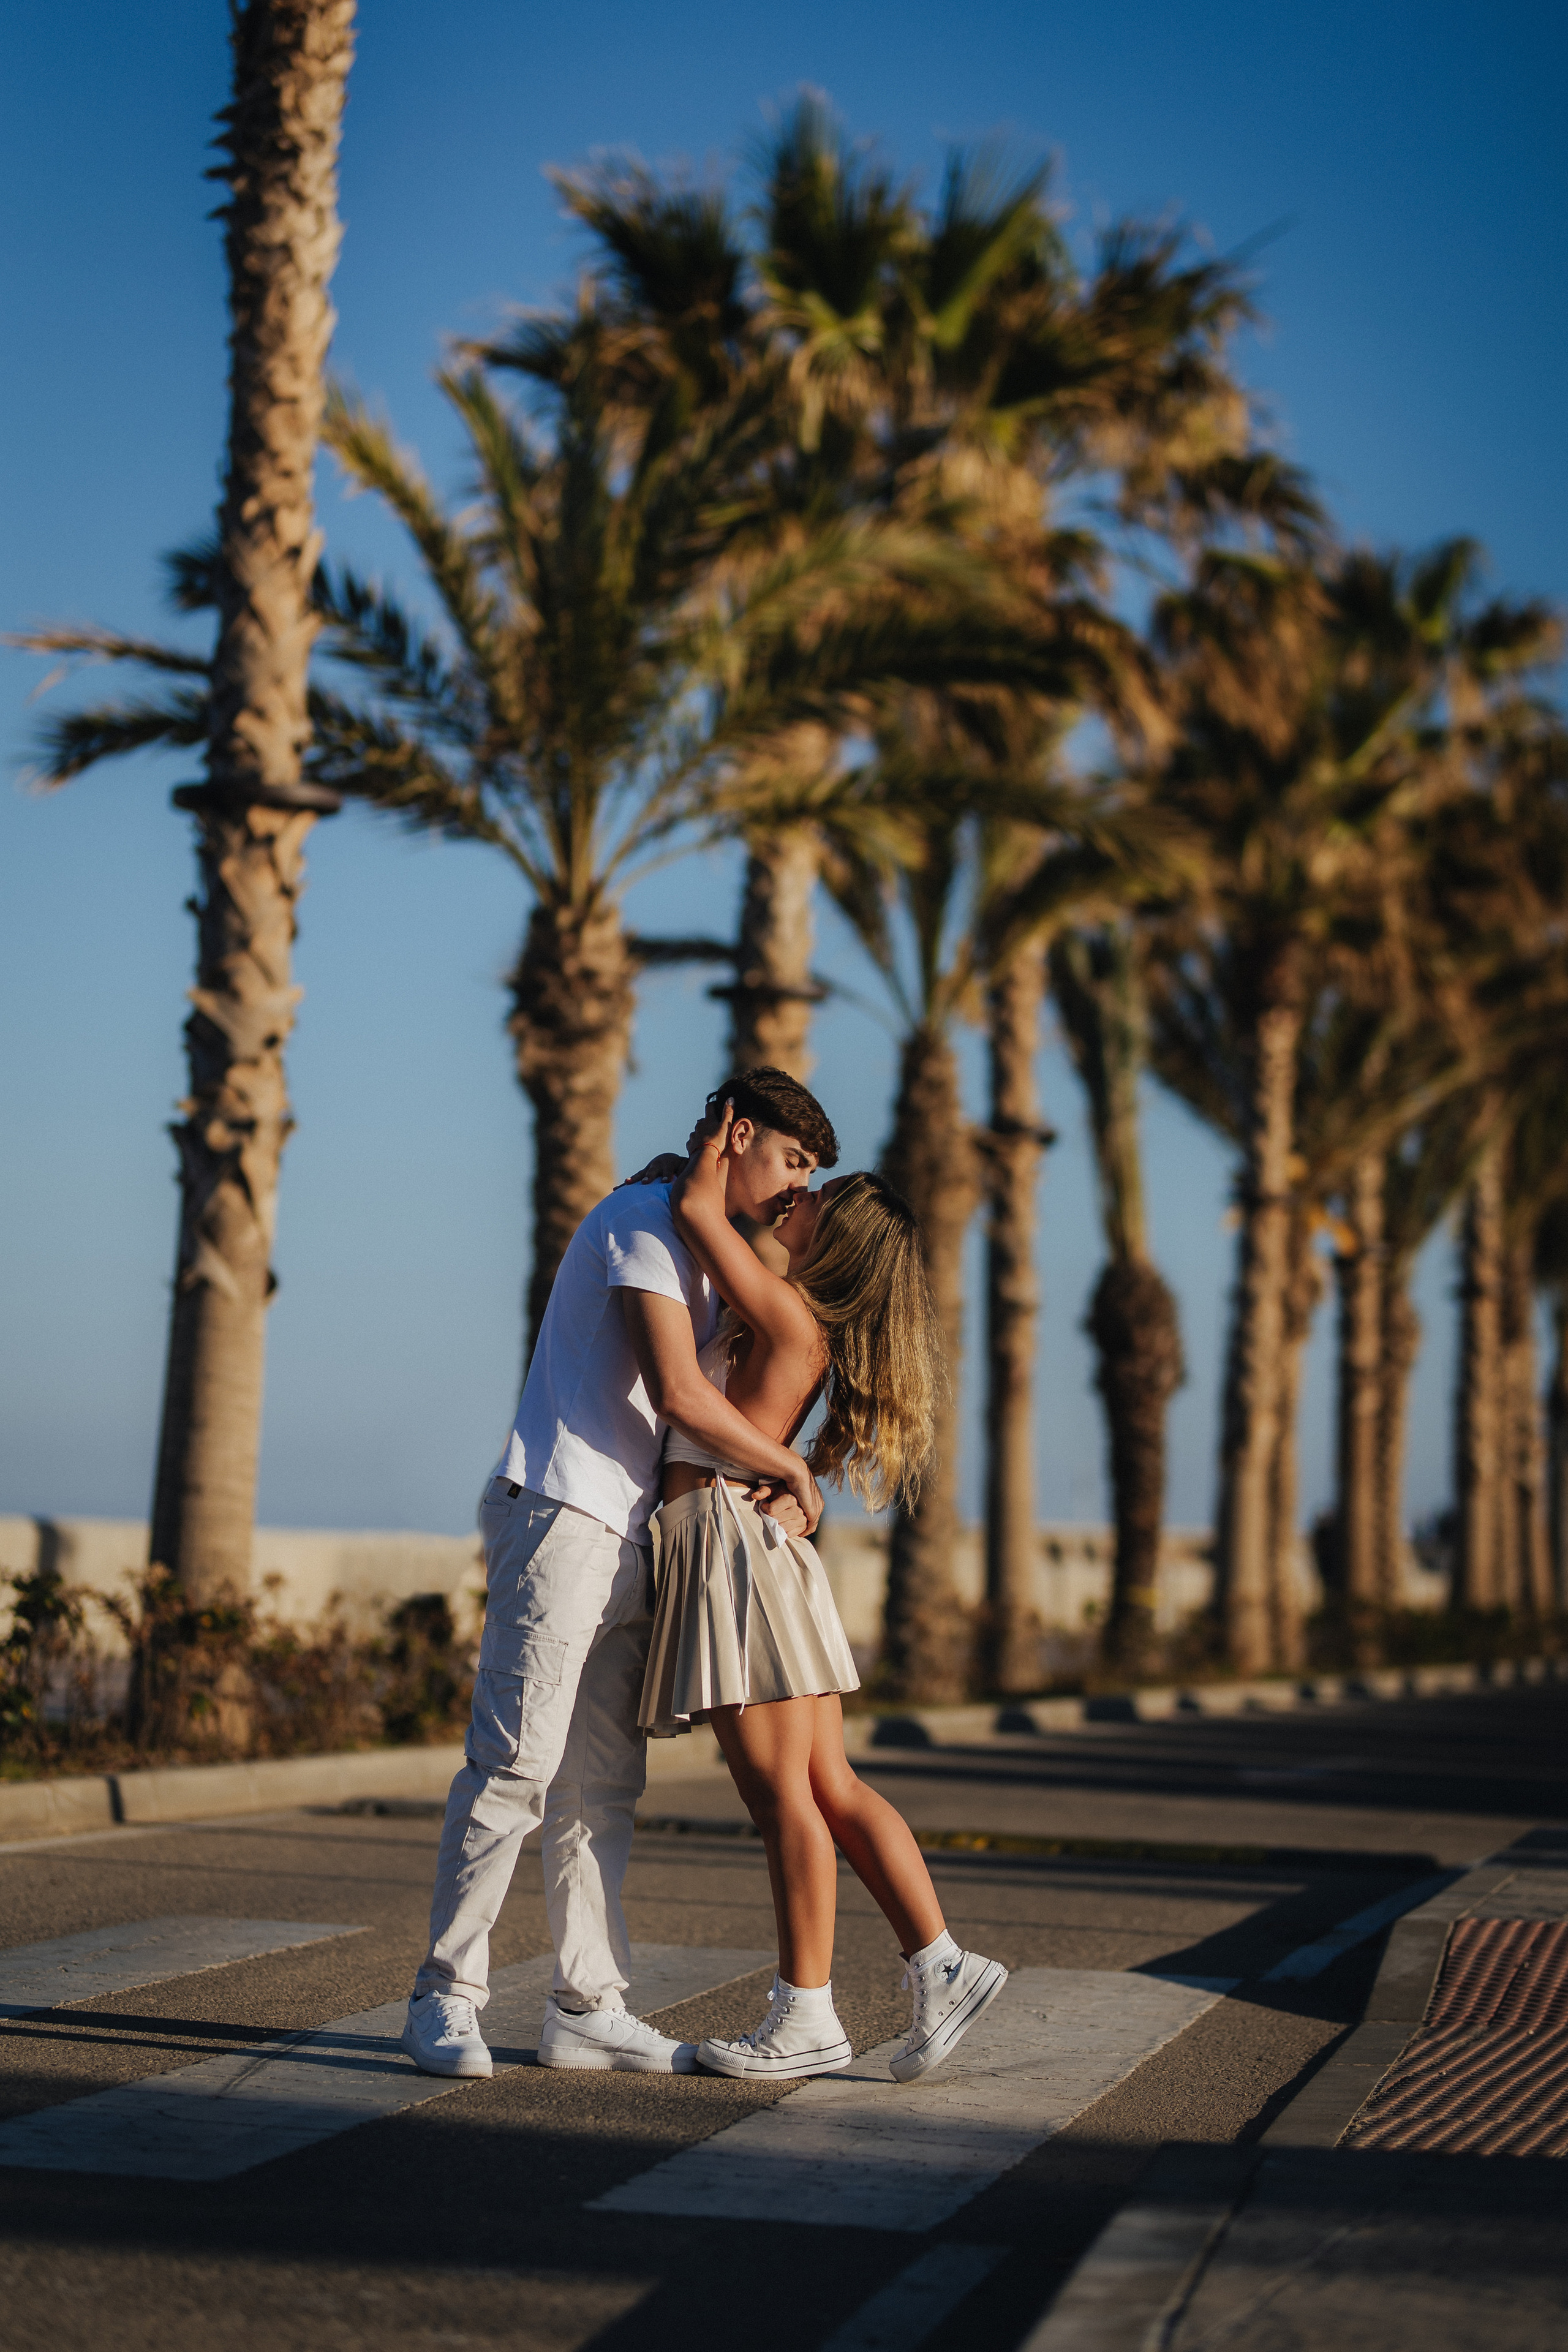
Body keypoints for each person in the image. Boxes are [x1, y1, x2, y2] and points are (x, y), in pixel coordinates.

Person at [401, 1068, 839, 2082]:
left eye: (810, 1173)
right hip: (563, 1510)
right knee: (515, 1764)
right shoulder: (642, 1220)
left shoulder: (705, 1243)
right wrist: (788, 1467)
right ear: (736, 1134)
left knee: (602, 1785)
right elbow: (682, 1392)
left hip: (634, 1533)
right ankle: (443, 1996)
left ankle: (586, 2004)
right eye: (790, 1159)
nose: (793, 1187)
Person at [639, 1104, 1008, 2084]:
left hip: (730, 1548)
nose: (798, 1195)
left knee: (782, 1800)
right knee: (830, 1789)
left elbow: (695, 1212)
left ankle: (805, 2013)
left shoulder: (787, 1311)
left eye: (819, 1196)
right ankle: (942, 1962)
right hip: (761, 1551)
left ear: (833, 1238)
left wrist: (722, 1142)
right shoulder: (797, 1319)